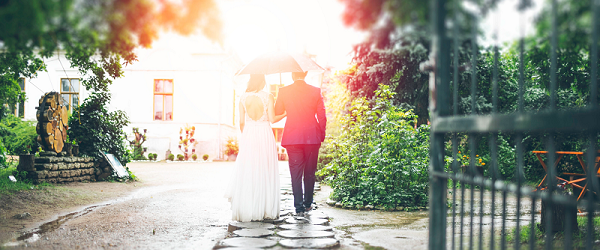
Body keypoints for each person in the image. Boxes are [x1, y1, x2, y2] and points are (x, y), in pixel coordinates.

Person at [224, 74, 287, 222]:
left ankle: (248, 208)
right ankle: (265, 209)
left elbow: (241, 122)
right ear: (262, 81)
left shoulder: (242, 97)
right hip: (265, 133)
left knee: (249, 169)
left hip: (249, 134)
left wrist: (246, 135)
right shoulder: (268, 96)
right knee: (265, 168)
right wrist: (285, 113)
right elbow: (272, 119)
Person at [275, 71, 327, 216]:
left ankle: (298, 207)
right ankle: (308, 203)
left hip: (292, 137)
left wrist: (282, 99)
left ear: (292, 75)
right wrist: (321, 135)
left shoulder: (283, 91)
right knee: (310, 172)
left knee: (295, 173)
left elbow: (278, 111)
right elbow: (322, 116)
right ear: (305, 74)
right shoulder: (316, 91)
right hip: (312, 137)